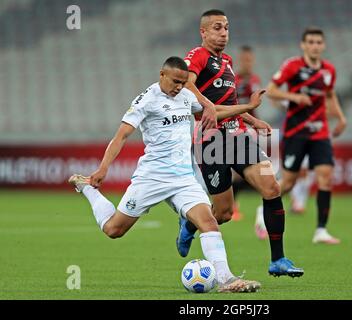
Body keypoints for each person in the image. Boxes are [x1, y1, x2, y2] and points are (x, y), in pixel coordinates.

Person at [67, 56, 264, 293]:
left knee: (209, 221)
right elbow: (121, 136)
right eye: (175, 81)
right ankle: (86, 188)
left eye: (183, 82)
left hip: (183, 179)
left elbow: (215, 112)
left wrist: (248, 113)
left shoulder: (186, 96)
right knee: (114, 230)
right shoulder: (146, 100)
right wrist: (103, 168)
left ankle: (226, 279)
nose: (180, 86)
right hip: (152, 177)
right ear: (162, 75)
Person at [177, 9, 303, 277]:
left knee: (271, 187)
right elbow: (186, 86)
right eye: (217, 28)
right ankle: (189, 225)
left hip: (237, 135)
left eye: (226, 28)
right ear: (204, 32)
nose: (223, 33)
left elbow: (230, 104)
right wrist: (208, 106)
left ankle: (277, 260)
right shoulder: (196, 56)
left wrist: (251, 120)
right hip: (210, 140)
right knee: (222, 214)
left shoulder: (228, 61)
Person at [264, 27, 347, 245]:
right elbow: (270, 90)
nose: (315, 46)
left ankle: (321, 230)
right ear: (303, 45)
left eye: (318, 42)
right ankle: (264, 207)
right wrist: (294, 96)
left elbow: (330, 94)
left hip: (320, 132)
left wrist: (341, 118)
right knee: (289, 182)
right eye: (310, 42)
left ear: (323, 45)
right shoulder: (293, 66)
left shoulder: (328, 70)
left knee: (325, 177)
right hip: (296, 132)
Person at [231, 45, 263, 221]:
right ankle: (233, 205)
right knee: (236, 171)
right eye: (245, 60)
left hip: (249, 128)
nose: (248, 63)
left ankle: (235, 204)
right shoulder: (233, 80)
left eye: (250, 60)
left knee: (249, 170)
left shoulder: (255, 80)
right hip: (233, 127)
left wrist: (256, 125)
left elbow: (255, 108)